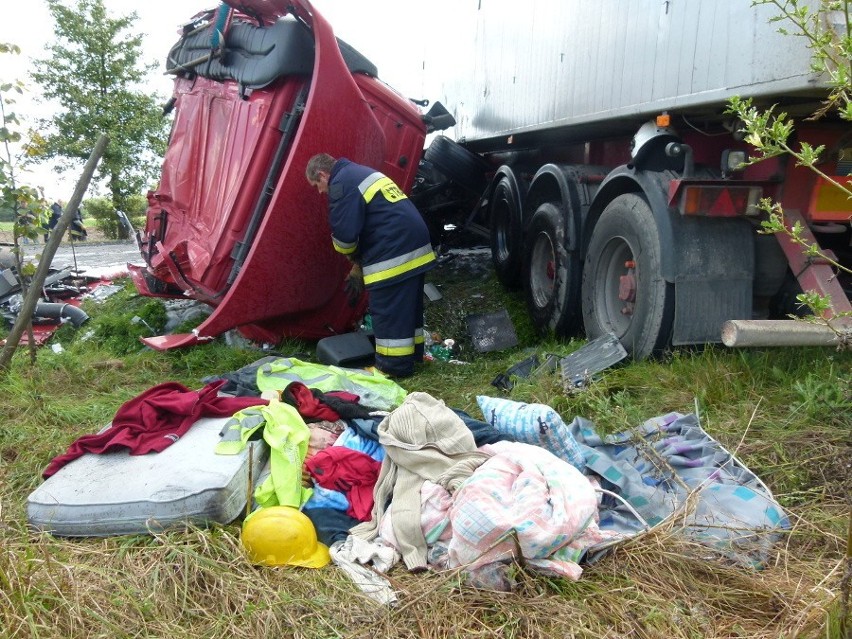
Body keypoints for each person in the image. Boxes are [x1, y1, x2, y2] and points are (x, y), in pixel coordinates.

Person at [306, 153, 436, 378]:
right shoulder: (358, 172)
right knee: (407, 308)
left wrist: (352, 260)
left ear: (322, 174)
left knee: (387, 309)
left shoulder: (340, 184)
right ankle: (413, 357)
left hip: (394, 250)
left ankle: (391, 368)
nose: (319, 191)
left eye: (317, 185)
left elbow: (345, 238)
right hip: (414, 244)